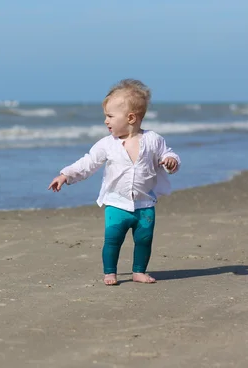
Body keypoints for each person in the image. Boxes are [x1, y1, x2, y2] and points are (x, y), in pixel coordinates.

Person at [48, 79, 180, 286]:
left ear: (130, 118)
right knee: (112, 239)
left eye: (110, 116)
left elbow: (168, 154)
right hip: (116, 203)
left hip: (145, 204)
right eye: (105, 116)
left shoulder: (153, 140)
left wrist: (171, 162)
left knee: (144, 240)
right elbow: (88, 163)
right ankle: (110, 272)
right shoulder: (107, 144)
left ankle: (139, 271)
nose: (105, 121)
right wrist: (66, 175)